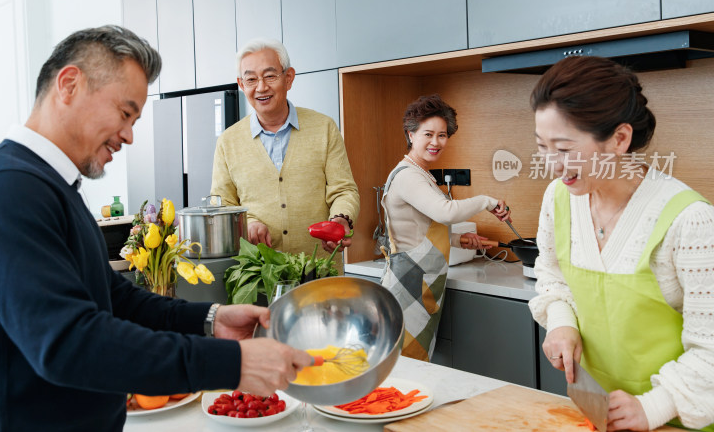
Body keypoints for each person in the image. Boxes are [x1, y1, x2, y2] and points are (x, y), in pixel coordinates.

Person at [0, 26, 312, 431]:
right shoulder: (1, 192)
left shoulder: (51, 187)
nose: (129, 134)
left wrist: (209, 318)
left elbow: (113, 299)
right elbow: (68, 344)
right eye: (125, 113)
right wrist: (231, 364)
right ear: (70, 84)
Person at [528, 56, 714, 431]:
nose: (551, 164)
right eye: (542, 147)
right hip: (600, 417)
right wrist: (562, 323)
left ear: (619, 139)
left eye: (563, 149)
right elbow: (552, 276)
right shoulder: (558, 198)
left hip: (679, 421)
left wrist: (653, 406)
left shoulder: (689, 220)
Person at [381, 94, 510, 361]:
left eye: (442, 135)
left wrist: (458, 240)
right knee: (406, 364)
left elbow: (423, 228)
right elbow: (445, 212)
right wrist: (486, 200)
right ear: (411, 134)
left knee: (417, 362)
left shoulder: (422, 174)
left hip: (424, 284)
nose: (436, 142)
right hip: (408, 286)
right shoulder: (407, 176)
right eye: (428, 134)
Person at [210, 38, 359, 263]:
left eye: (270, 76)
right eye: (251, 79)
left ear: (288, 78)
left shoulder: (324, 128)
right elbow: (221, 205)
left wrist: (340, 219)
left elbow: (344, 190)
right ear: (242, 86)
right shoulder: (227, 142)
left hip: (318, 271)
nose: (261, 87)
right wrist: (248, 223)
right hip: (258, 275)